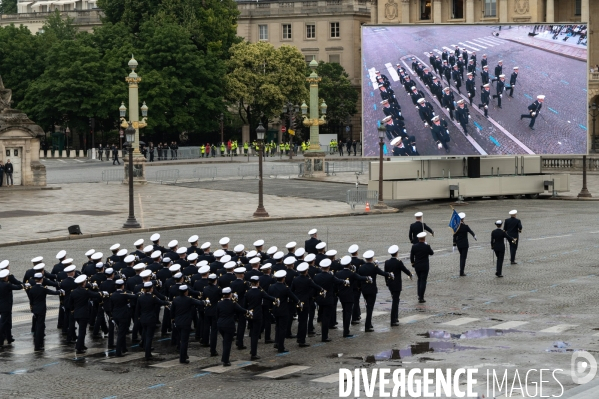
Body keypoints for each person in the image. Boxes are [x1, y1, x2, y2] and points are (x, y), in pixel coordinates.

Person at [356, 250, 391, 332]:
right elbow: (382, 273)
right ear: (371, 258)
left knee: (368, 306)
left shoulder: (361, 267)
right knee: (370, 308)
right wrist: (389, 274)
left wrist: (359, 287)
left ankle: (369, 323)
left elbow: (358, 278)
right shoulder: (374, 267)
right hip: (372, 290)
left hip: (364, 290)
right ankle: (367, 326)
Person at [171, 285, 208, 363]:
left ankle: (184, 355)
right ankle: (182, 358)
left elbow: (172, 311)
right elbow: (200, 303)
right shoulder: (189, 300)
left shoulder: (175, 300)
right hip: (186, 322)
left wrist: (173, 320)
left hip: (177, 322)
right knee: (184, 341)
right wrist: (205, 301)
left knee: (180, 339)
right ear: (186, 292)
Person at [26, 273, 62, 350]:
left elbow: (31, 301)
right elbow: (53, 292)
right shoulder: (43, 288)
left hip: (35, 309)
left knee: (37, 326)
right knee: (40, 326)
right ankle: (38, 345)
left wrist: (32, 309)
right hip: (42, 309)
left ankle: (38, 343)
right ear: (41, 279)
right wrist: (60, 291)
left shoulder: (31, 289)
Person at [69, 274, 104, 354]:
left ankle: (82, 345)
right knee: (82, 331)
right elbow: (95, 295)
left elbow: (70, 304)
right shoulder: (85, 291)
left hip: (76, 313)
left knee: (83, 331)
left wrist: (72, 310)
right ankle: (78, 348)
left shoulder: (73, 292)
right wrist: (99, 291)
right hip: (84, 314)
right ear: (84, 283)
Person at [290, 263, 323, 346]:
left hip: (297, 301)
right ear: (306, 271)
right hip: (305, 302)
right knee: (304, 321)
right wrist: (322, 289)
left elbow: (291, 290)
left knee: (300, 320)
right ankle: (302, 340)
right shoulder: (307, 280)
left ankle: (299, 337)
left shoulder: (295, 279)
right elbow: (316, 286)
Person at [136, 281, 169, 360]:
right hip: (151, 319)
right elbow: (161, 302)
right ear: (151, 289)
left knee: (145, 334)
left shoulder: (140, 297)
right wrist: (168, 302)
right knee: (149, 337)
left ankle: (145, 350)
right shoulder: (153, 297)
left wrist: (139, 318)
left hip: (143, 319)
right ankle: (148, 354)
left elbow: (137, 309)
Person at [216, 287, 249, 366]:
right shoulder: (232, 303)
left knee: (225, 341)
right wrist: (248, 311)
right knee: (227, 343)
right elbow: (241, 310)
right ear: (230, 294)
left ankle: (224, 358)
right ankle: (225, 360)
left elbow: (217, 314)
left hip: (220, 324)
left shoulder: (219, 303)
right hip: (229, 325)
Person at [268, 270, 299, 353]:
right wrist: (299, 302)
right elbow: (293, 297)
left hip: (275, 309)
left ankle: (277, 342)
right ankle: (281, 346)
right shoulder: (285, 288)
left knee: (277, 327)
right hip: (283, 310)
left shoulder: (271, 287)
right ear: (283, 278)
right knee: (282, 329)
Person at [384, 245, 413, 326]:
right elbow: (404, 269)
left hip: (390, 284)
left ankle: (396, 318)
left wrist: (386, 282)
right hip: (396, 284)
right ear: (396, 253)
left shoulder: (387, 262)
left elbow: (386, 274)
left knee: (395, 300)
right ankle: (393, 320)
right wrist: (410, 274)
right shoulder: (398, 262)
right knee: (395, 302)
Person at [108, 279, 137, 357]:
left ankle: (124, 348)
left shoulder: (113, 294)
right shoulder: (123, 294)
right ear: (122, 286)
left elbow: (111, 306)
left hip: (115, 315)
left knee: (122, 332)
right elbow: (134, 296)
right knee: (121, 334)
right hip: (123, 316)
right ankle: (118, 352)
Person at [0, 268, 24, 346]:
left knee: (6, 322)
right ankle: (1, 340)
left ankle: (9, 337)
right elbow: (18, 287)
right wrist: (23, 285)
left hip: (1, 305)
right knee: (3, 323)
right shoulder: (7, 285)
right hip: (6, 306)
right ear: (6, 277)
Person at [410, 232, 434, 303]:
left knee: (419, 280)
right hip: (425, 266)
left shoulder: (414, 246)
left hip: (417, 265)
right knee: (423, 281)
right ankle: (421, 297)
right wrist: (427, 245)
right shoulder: (426, 246)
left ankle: (419, 294)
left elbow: (411, 256)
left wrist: (413, 263)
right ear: (424, 238)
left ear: (418, 239)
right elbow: (431, 253)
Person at [452, 212, 476, 276]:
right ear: (463, 219)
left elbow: (454, 236)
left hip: (459, 244)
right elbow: (471, 231)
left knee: (461, 257)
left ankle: (461, 271)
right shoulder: (465, 226)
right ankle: (461, 271)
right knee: (463, 258)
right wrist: (474, 235)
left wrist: (454, 244)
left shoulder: (456, 227)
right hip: (465, 244)